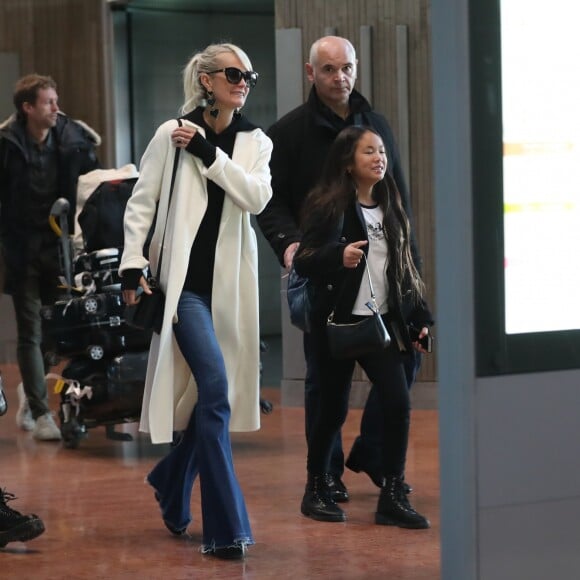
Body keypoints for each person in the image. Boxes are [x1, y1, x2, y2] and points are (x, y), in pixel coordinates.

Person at [119, 43, 272, 560]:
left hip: (229, 290)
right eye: (233, 73)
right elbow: (142, 203)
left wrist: (209, 154)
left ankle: (170, 479)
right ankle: (226, 528)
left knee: (212, 400)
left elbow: (256, 197)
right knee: (213, 387)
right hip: (183, 290)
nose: (243, 81)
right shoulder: (170, 133)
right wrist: (132, 263)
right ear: (207, 80)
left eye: (249, 74)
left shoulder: (255, 141)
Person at [256, 36, 423, 497]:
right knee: (326, 388)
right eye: (328, 69)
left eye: (346, 67)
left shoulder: (377, 126)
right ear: (311, 74)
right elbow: (268, 202)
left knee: (400, 374)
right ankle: (325, 475)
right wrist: (290, 245)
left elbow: (400, 205)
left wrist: (413, 290)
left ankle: (372, 453)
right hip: (326, 277)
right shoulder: (287, 132)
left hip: (382, 280)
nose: (339, 77)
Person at [294, 125, 432, 528]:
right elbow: (304, 260)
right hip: (336, 323)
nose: (379, 158)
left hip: (382, 323)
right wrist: (339, 255)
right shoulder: (329, 205)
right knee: (331, 409)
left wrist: (420, 318)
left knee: (398, 402)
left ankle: (392, 493)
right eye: (368, 152)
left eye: (382, 151)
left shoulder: (391, 205)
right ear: (348, 163)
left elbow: (408, 270)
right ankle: (316, 486)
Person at [0, 74, 100, 441]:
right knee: (29, 330)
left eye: (56, 101)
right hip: (21, 251)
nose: (57, 108)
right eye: (48, 102)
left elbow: (93, 183)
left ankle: (31, 393)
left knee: (57, 333)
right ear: (28, 108)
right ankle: (43, 413)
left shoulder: (72, 138)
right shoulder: (6, 145)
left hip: (59, 251)